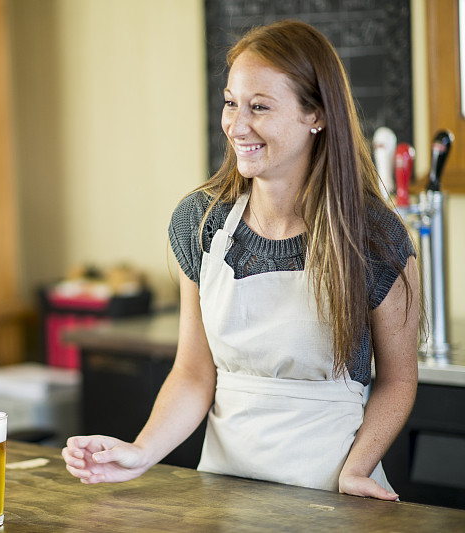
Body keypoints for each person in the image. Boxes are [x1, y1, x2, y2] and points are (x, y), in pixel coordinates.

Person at [62, 20, 420, 501]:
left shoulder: (373, 237)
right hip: (226, 493)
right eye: (231, 102)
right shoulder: (201, 223)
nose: (237, 124)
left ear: (316, 115)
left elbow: (398, 380)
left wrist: (356, 471)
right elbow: (193, 371)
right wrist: (141, 451)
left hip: (333, 494)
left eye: (260, 107)